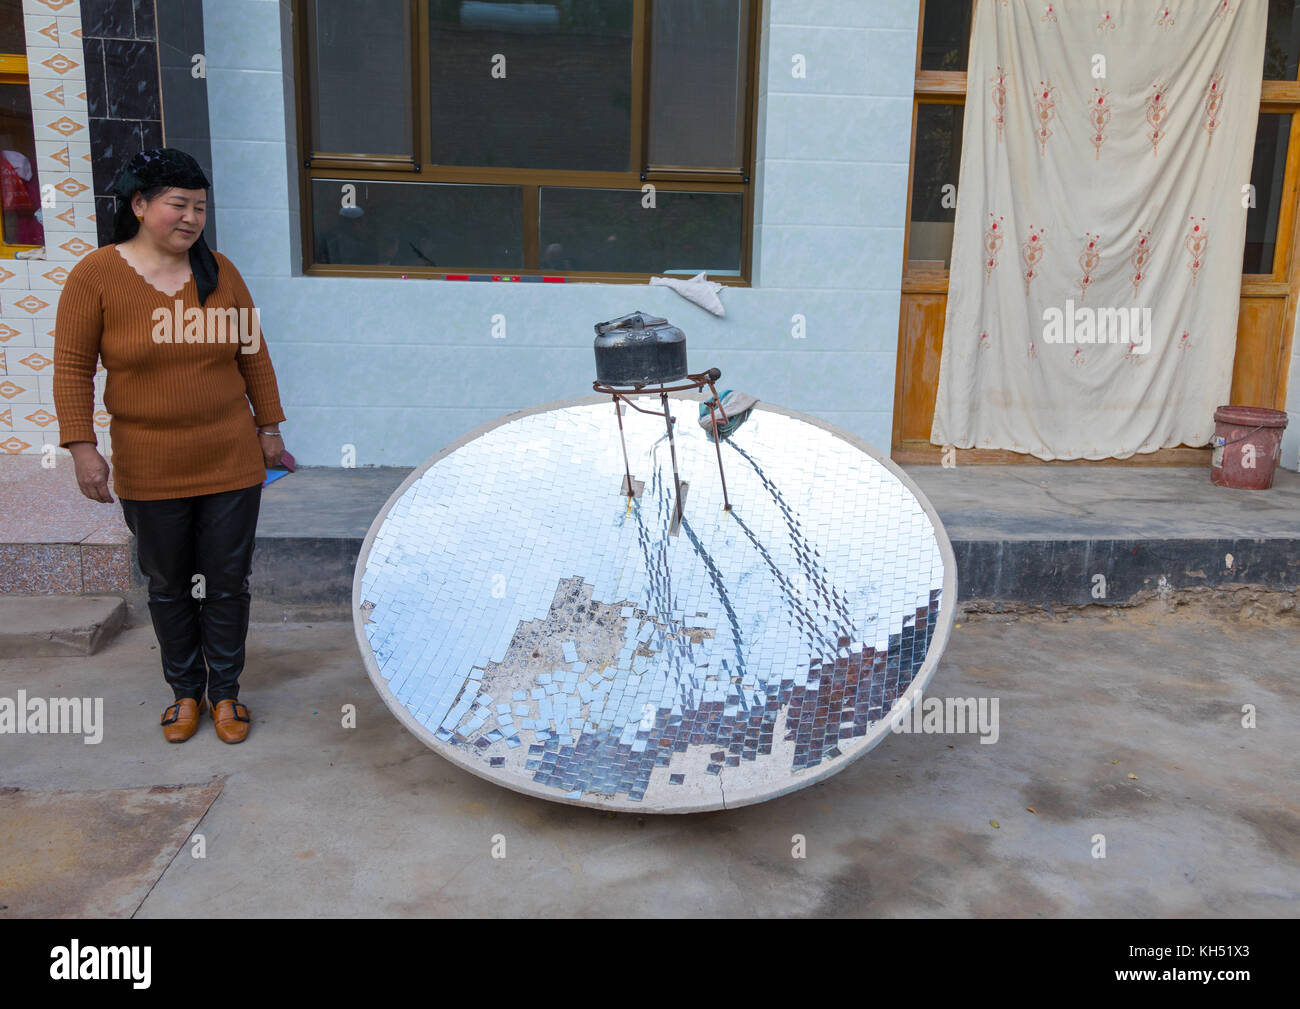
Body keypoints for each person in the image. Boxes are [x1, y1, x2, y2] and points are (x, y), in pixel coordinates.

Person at [53, 147, 287, 744]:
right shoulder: (96, 275)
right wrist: (81, 445)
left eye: (200, 208)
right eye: (178, 205)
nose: (191, 218)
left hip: (229, 456)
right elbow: (73, 367)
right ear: (138, 205)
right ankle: (185, 694)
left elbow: (253, 355)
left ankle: (226, 694)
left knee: (228, 580)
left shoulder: (220, 271)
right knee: (169, 583)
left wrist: (270, 428)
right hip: (149, 462)